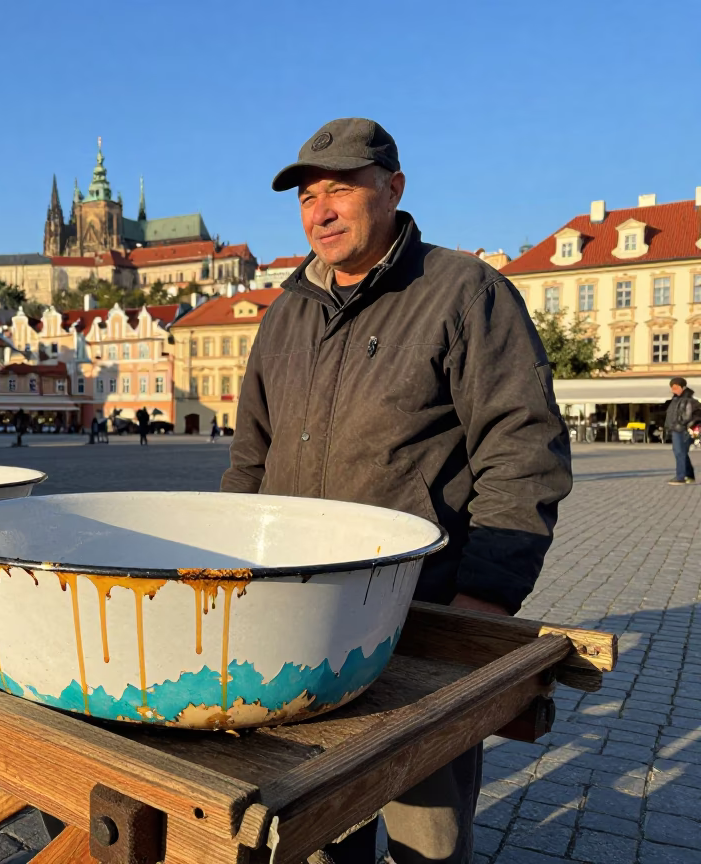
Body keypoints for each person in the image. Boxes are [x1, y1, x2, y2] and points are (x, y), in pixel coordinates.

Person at [222, 118, 572, 864]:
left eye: (341, 189)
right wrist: (229, 572)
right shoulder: (284, 314)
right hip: (298, 621)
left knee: (428, 835)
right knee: (318, 825)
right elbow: (250, 458)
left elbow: (522, 445)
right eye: (308, 195)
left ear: (394, 189)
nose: (321, 211)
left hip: (422, 612)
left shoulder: (461, 291)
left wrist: (484, 599)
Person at [665, 377, 700, 485]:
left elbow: (690, 416)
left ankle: (681, 477)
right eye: (672, 388)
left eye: (675, 387)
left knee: (680, 452)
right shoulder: (676, 400)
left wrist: (683, 425)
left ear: (683, 387)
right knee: (681, 452)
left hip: (683, 429)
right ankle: (688, 475)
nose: (673, 390)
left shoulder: (689, 401)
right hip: (676, 428)